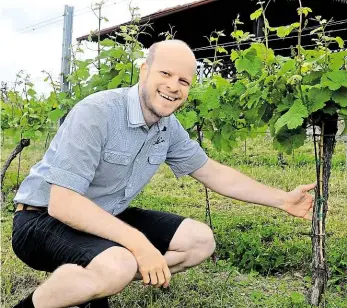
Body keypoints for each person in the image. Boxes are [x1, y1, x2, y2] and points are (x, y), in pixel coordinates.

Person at [11, 40, 315, 308]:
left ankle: (92, 283)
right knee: (122, 260)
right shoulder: (98, 112)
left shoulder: (168, 128)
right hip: (40, 220)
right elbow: (63, 204)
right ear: (144, 71)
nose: (174, 86)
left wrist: (282, 200)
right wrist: (139, 245)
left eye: (184, 80)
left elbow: (212, 172)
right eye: (165, 74)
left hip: (102, 218)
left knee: (200, 241)